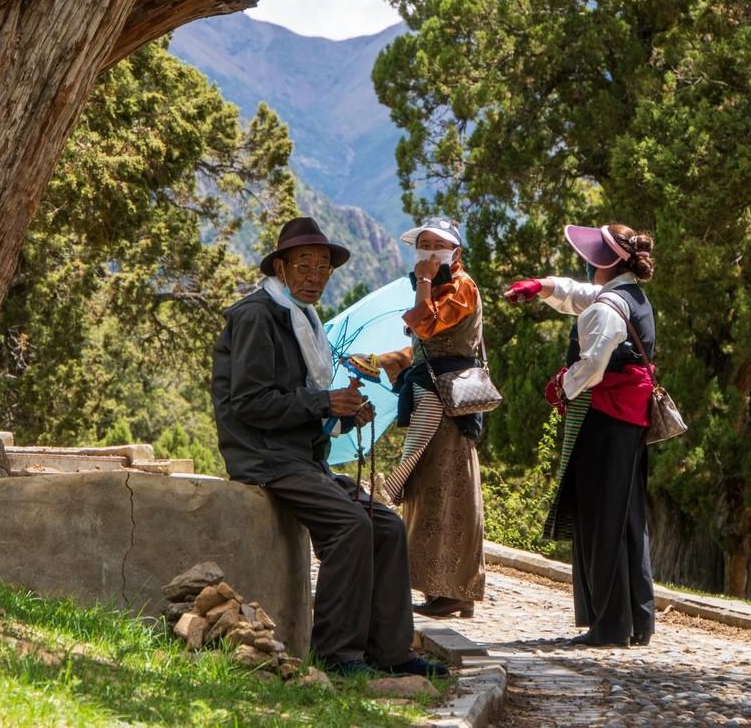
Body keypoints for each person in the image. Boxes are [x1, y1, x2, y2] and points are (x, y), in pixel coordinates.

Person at [210, 216, 448, 678]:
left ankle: (391, 652)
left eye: (323, 268)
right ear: (280, 266)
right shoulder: (256, 316)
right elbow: (249, 403)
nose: (315, 276)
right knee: (350, 526)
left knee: (386, 527)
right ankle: (338, 655)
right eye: (304, 265)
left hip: (301, 457)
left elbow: (299, 403)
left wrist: (341, 413)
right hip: (264, 458)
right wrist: (324, 401)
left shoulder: (301, 318)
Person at [503, 222, 657, 648]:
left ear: (604, 262)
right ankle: (638, 620)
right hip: (630, 422)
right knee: (627, 516)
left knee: (600, 518)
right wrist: (541, 286)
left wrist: (562, 385)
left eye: (592, 257)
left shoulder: (605, 310)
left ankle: (608, 625)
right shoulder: (630, 297)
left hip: (605, 420)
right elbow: (577, 295)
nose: (586, 264)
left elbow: (592, 365)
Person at [378, 218, 486, 619]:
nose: (427, 251)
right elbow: (425, 347)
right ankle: (439, 586)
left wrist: (423, 282)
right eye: (422, 244)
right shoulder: (440, 287)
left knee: (449, 488)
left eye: (437, 245)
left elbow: (425, 325)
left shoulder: (461, 287)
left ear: (455, 254)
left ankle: (456, 589)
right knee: (428, 487)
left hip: (448, 403)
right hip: (432, 397)